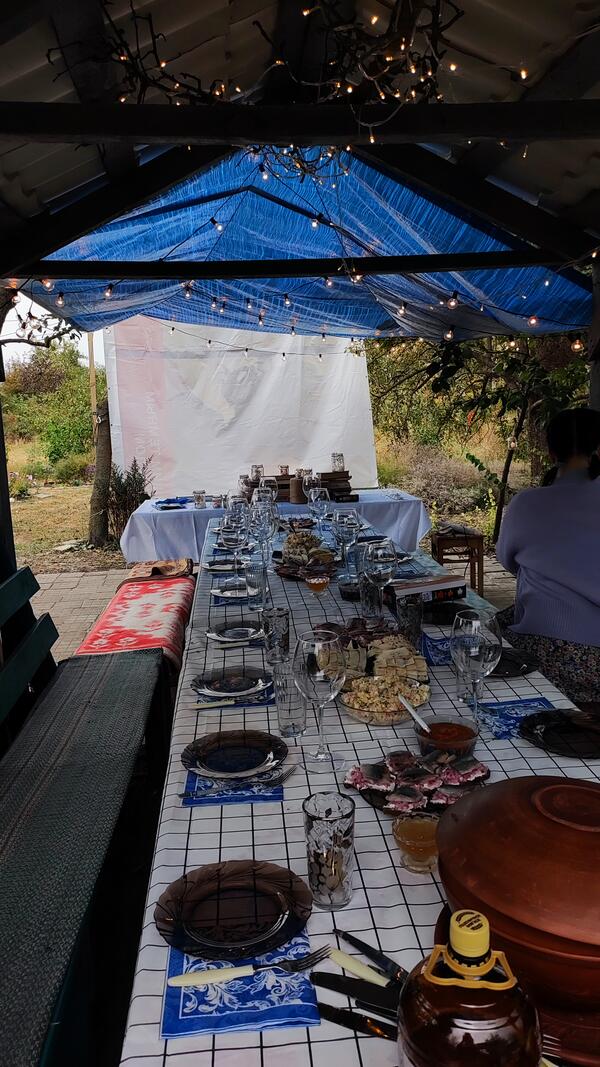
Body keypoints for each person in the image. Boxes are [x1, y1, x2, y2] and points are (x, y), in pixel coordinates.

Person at [495, 407, 600, 704]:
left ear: (551, 452)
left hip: (542, 653)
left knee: (484, 631)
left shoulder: (527, 503)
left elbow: (506, 559)